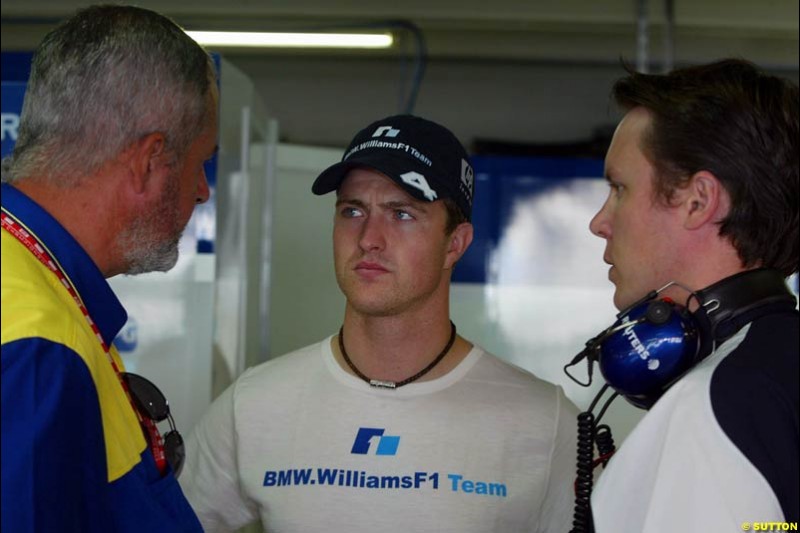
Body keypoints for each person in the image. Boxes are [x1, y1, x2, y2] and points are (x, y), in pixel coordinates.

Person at [180, 114, 578, 532]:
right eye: (352, 211)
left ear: (455, 244)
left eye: (402, 214)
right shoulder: (253, 406)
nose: (369, 237)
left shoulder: (544, 423)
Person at [1, 5, 218, 532]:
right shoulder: (38, 343)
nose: (202, 190)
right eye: (199, 162)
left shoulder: (32, 285)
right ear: (150, 162)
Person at [586, 59, 798, 532]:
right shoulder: (771, 378)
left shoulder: (715, 403)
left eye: (619, 188)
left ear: (699, 201)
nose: (599, 222)